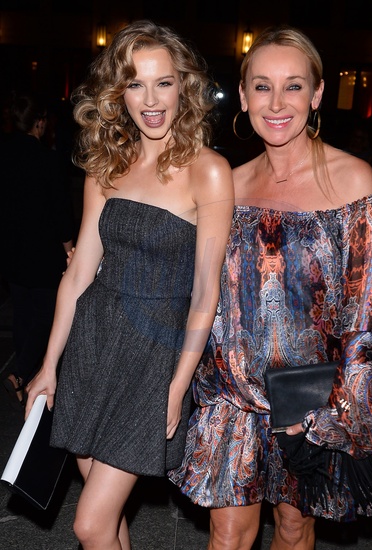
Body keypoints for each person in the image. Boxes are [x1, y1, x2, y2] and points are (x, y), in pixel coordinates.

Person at [169, 25, 372, 550]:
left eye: (293, 86)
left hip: (309, 397)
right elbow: (190, 275)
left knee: (295, 527)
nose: (276, 103)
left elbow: (365, 319)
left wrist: (332, 409)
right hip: (231, 393)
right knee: (226, 535)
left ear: (317, 94)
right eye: (262, 86)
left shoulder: (353, 181)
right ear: (242, 95)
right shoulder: (227, 183)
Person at [25, 20, 234, 550]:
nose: (151, 100)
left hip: (153, 358)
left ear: (184, 87)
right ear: (118, 93)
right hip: (92, 345)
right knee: (108, 522)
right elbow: (79, 273)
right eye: (136, 84)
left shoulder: (209, 171)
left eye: (163, 82)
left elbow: (206, 291)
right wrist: (48, 366)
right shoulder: (106, 166)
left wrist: (177, 386)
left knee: (88, 524)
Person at [0, 92, 74, 409]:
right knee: (47, 315)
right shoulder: (47, 160)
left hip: (11, 249)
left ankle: (23, 375)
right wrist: (70, 250)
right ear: (40, 123)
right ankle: (20, 373)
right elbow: (61, 212)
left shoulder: (3, 154)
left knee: (23, 314)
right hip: (43, 251)